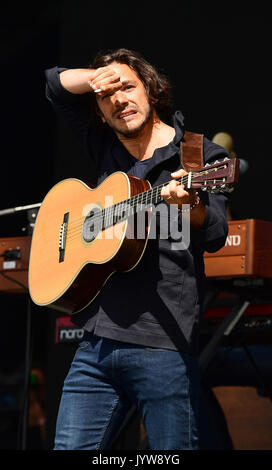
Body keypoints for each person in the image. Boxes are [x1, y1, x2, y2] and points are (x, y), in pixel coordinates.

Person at [45, 48, 230, 450]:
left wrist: (191, 208)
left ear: (151, 90)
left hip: (162, 344)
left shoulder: (200, 156)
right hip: (94, 341)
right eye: (107, 96)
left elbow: (215, 232)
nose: (119, 100)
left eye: (127, 87)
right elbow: (55, 84)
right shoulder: (104, 144)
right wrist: (98, 78)